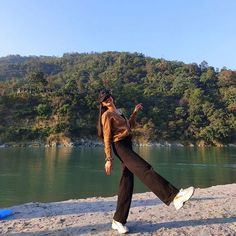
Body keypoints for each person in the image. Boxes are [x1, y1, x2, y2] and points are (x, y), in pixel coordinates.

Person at [97, 89, 194, 234]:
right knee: (144, 168)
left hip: (127, 144)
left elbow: (129, 126)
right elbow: (107, 137)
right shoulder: (106, 115)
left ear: (112, 97)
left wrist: (135, 113)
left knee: (127, 182)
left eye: (108, 97)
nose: (107, 100)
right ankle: (174, 196)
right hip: (120, 146)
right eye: (104, 99)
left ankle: (118, 221)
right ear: (102, 103)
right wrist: (108, 158)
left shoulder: (119, 112)